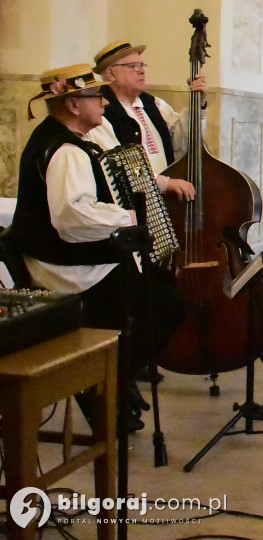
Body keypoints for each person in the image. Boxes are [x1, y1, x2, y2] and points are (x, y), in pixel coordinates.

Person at [9, 64, 184, 430]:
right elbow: (72, 218)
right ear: (73, 104)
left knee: (163, 293)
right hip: (64, 266)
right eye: (95, 95)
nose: (104, 101)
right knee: (164, 305)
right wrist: (129, 219)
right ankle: (103, 386)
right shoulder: (66, 150)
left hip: (73, 255)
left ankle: (114, 383)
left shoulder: (66, 139)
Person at [87, 40, 203, 201]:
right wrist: (162, 183)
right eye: (132, 66)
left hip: (165, 201)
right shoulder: (101, 112)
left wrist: (198, 105)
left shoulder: (153, 104)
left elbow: (182, 143)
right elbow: (117, 164)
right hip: (132, 203)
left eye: (142, 65)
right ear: (111, 73)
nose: (141, 70)